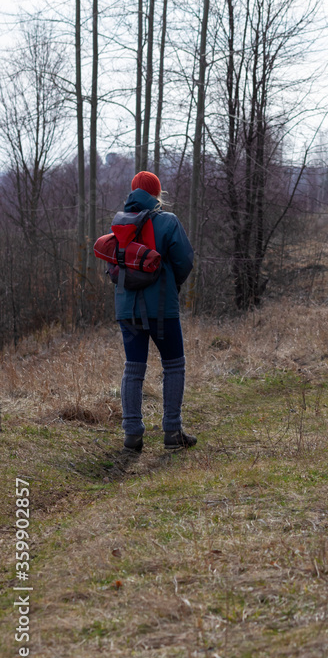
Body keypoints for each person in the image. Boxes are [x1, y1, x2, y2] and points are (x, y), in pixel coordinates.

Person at [115, 171, 196, 452]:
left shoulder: (119, 223)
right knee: (173, 365)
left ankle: (132, 435)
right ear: (157, 194)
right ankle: (172, 431)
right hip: (162, 308)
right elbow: (185, 261)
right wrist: (172, 286)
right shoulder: (168, 221)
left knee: (133, 369)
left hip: (127, 309)